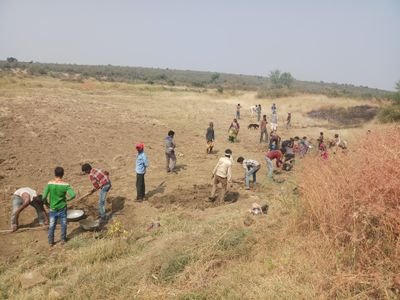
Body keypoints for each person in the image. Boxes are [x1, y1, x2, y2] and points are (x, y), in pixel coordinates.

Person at [43, 167, 76, 246]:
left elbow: (44, 196)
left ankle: (51, 242)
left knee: (52, 225)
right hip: (62, 208)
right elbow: (73, 195)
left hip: (52, 208)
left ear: (55, 173)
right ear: (63, 174)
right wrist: (67, 200)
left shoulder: (50, 184)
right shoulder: (65, 185)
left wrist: (46, 203)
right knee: (63, 224)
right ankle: (63, 240)